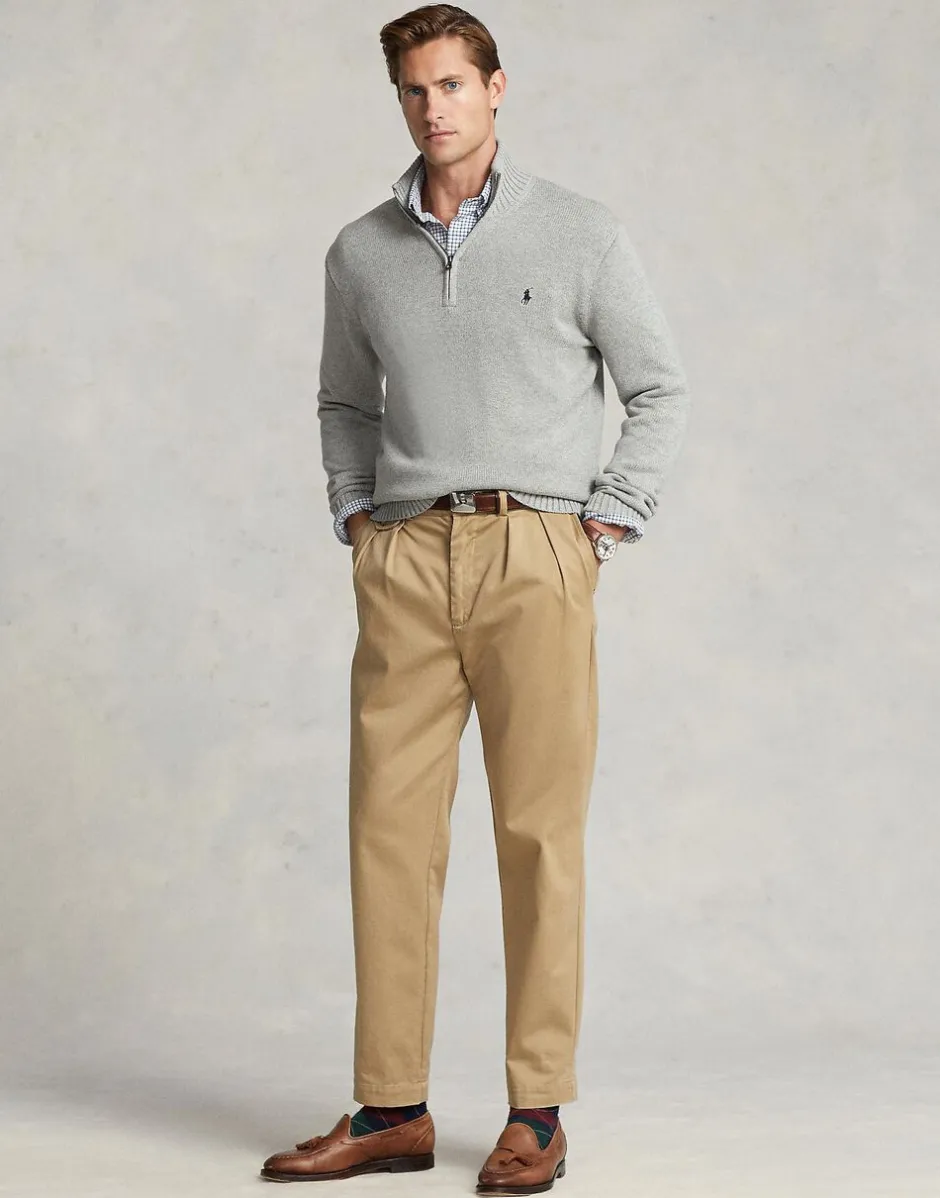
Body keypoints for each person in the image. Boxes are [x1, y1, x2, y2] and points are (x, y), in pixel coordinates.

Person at [260, 4, 689, 1191]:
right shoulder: (360, 252)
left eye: (451, 84)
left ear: (497, 88)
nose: (431, 107)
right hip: (406, 558)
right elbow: (342, 400)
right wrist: (358, 516)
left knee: (537, 835)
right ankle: (391, 1106)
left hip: (534, 551)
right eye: (413, 89)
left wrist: (605, 517)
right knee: (387, 833)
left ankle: (535, 1112)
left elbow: (659, 386)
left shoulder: (580, 233)